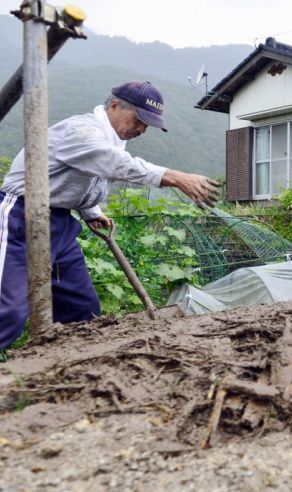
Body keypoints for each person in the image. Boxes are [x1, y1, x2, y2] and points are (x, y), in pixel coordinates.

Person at [0, 81, 221, 353]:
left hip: (60, 224)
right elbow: (112, 163)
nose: (142, 128)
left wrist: (91, 212)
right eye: (139, 119)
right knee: (7, 312)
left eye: (147, 124)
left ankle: (66, 369)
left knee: (81, 310)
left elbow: (77, 178)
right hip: (21, 216)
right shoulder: (82, 130)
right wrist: (175, 177)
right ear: (115, 106)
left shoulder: (112, 140)